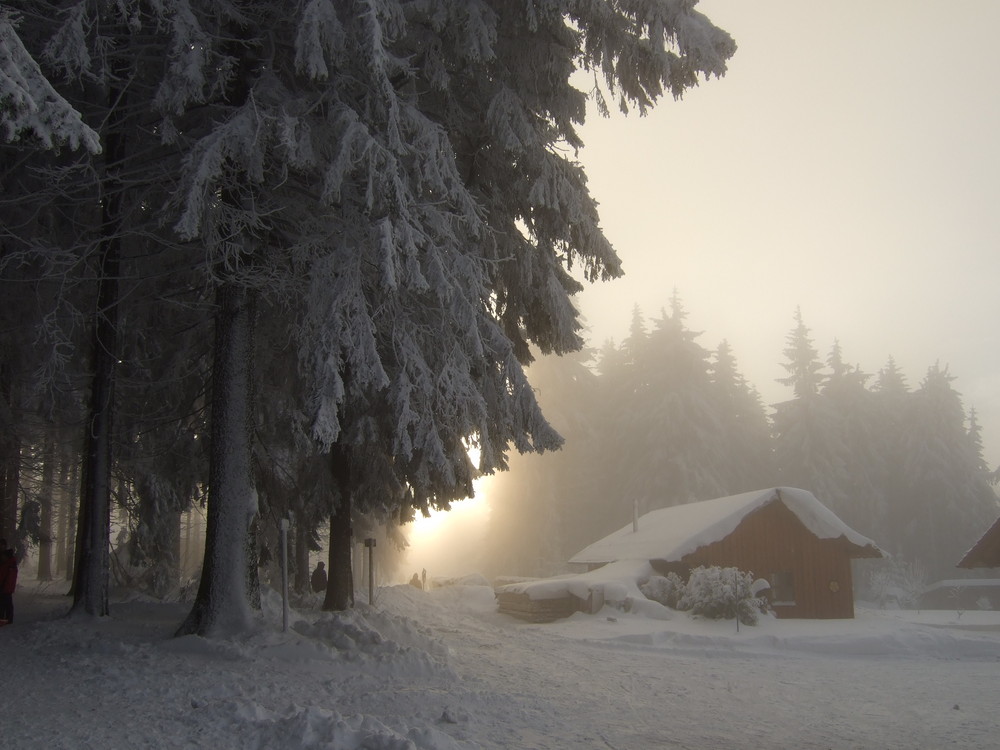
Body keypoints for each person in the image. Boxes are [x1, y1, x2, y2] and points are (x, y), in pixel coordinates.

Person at [0, 542, 17, 625]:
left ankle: (5, 620)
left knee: (4, 604)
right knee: (6, 604)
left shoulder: (9, 565)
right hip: (6, 588)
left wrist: (4, 587)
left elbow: (7, 578)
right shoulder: (8, 564)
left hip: (5, 588)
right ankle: (7, 619)